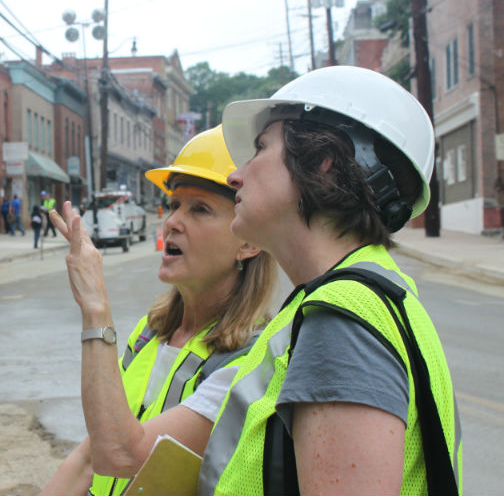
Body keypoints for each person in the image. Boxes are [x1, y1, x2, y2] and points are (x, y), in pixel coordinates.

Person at [198, 66, 462, 495]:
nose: (235, 176)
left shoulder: (342, 318)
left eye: (261, 148)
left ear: (321, 162)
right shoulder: (365, 297)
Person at [41, 126, 278, 496]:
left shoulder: (250, 360)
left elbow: (120, 454)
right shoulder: (150, 332)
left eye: (200, 209)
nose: (171, 222)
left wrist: (96, 310)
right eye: (174, 205)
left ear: (248, 243)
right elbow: (88, 458)